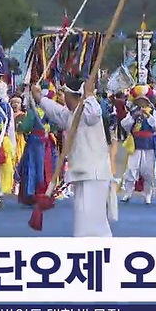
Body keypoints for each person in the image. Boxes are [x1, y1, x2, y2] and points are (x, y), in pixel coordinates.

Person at [32, 77, 114, 237]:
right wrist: (39, 98)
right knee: (84, 217)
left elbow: (94, 114)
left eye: (65, 94)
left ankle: (96, 247)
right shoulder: (72, 115)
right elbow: (56, 111)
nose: (63, 98)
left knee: (92, 219)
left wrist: (89, 95)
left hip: (94, 173)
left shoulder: (89, 111)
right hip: (82, 173)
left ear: (72, 95)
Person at [119, 85, 156, 205]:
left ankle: (148, 194)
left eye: (144, 100)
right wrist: (134, 117)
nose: (142, 103)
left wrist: (148, 116)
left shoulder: (152, 112)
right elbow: (124, 124)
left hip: (149, 145)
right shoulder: (133, 112)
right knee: (131, 169)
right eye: (139, 100)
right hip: (135, 145)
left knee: (148, 171)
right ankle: (128, 192)